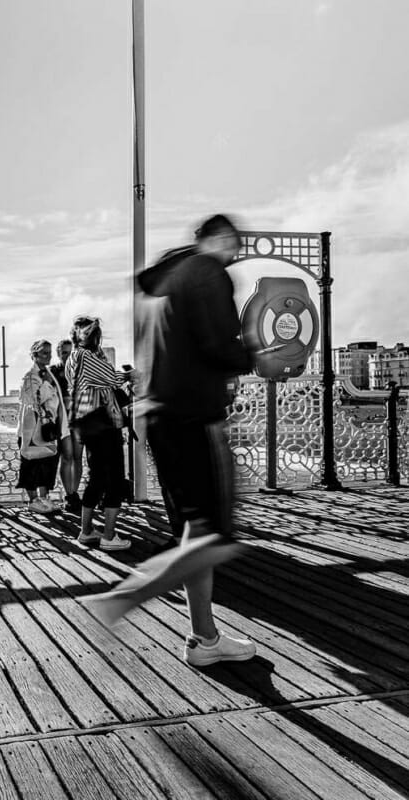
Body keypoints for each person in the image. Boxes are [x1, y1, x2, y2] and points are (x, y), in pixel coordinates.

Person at [84, 214, 257, 667]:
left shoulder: (164, 279)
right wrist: (255, 353)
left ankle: (204, 638)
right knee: (214, 536)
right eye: (233, 243)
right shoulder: (208, 272)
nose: (235, 253)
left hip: (159, 417)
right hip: (195, 418)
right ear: (219, 239)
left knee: (194, 530)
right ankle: (124, 598)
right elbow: (219, 345)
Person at [65, 317, 130, 550]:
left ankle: (86, 531)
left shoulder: (73, 357)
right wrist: (132, 375)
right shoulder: (87, 356)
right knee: (114, 478)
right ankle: (109, 536)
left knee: (97, 476)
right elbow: (112, 378)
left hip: (87, 422)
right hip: (102, 421)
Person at [17, 339, 68, 514]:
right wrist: (46, 383)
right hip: (32, 429)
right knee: (31, 463)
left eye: (49, 353)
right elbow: (34, 400)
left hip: (48, 426)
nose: (48, 356)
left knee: (47, 462)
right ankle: (33, 500)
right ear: (35, 355)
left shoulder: (47, 374)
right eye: (44, 353)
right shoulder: (30, 377)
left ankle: (44, 498)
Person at [51, 338, 83, 513]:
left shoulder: (79, 371)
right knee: (67, 456)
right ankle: (69, 494)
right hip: (62, 419)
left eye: (70, 353)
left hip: (78, 418)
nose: (67, 356)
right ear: (58, 353)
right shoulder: (53, 372)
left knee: (78, 457)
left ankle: (74, 493)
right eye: (64, 352)